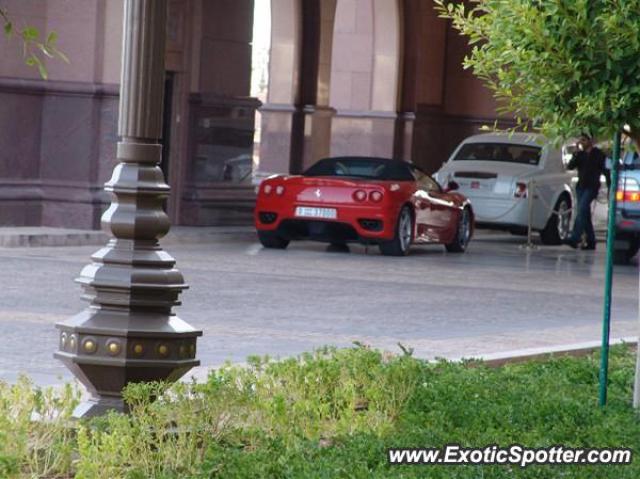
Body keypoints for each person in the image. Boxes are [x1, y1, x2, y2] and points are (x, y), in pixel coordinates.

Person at [564, 134, 608, 250]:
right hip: (581, 186)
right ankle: (591, 240)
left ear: (590, 141)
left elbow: (605, 170)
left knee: (582, 209)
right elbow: (570, 166)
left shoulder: (598, 154)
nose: (581, 142)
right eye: (580, 140)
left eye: (584, 140)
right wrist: (576, 153)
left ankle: (575, 238)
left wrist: (610, 185)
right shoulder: (580, 154)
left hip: (592, 186)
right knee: (585, 213)